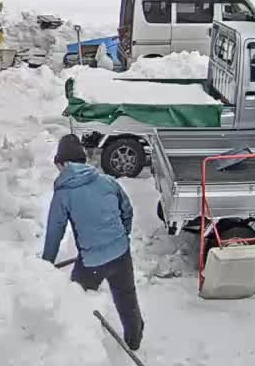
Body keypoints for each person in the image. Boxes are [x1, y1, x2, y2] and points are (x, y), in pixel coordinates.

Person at [42, 135, 144, 351]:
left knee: (76, 299)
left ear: (63, 163)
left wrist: (45, 264)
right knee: (126, 297)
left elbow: (54, 232)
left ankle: (79, 345)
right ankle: (134, 339)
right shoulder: (107, 181)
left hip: (92, 263)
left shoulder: (63, 193)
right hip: (121, 254)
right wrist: (121, 237)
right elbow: (127, 210)